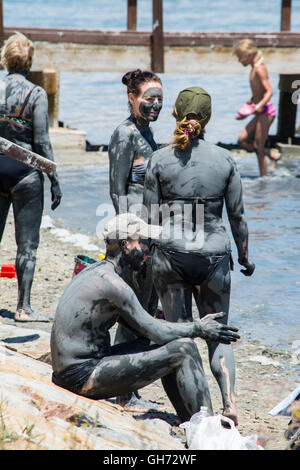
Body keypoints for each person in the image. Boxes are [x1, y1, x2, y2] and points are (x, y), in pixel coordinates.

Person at [50, 213, 240, 424]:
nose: (149, 251)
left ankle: (190, 420)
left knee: (170, 343)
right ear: (125, 245)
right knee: (184, 349)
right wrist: (199, 328)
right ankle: (207, 427)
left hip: (69, 370)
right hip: (81, 376)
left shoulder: (97, 272)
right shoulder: (114, 285)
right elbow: (156, 331)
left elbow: (149, 329)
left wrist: (189, 328)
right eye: (144, 243)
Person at [143, 87, 255, 426]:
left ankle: (197, 412)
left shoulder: (159, 159)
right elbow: (237, 217)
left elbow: (149, 220)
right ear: (207, 119)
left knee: (181, 335)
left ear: (176, 115)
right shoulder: (224, 160)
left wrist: (148, 259)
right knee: (218, 332)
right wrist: (245, 257)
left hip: (172, 258)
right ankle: (230, 404)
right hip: (213, 259)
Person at [108, 69, 163, 410]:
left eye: (159, 98)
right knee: (129, 311)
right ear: (131, 97)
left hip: (149, 232)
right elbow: (117, 190)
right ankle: (122, 391)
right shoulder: (124, 134)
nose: (154, 104)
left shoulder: (149, 132)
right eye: (148, 98)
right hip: (133, 236)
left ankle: (129, 386)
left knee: (144, 308)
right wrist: (130, 238)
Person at [0, 32, 62, 322]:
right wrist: (55, 180)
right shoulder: (35, 94)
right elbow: (43, 143)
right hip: (25, 172)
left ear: (5, 58)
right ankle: (23, 308)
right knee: (27, 245)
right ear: (29, 61)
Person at [233, 39, 280, 177]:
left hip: (266, 112)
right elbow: (259, 91)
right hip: (259, 112)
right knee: (242, 140)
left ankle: (263, 180)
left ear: (250, 54)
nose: (239, 60)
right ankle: (271, 154)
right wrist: (252, 100)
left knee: (259, 149)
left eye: (240, 57)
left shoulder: (260, 69)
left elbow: (269, 91)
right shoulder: (253, 69)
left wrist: (259, 105)